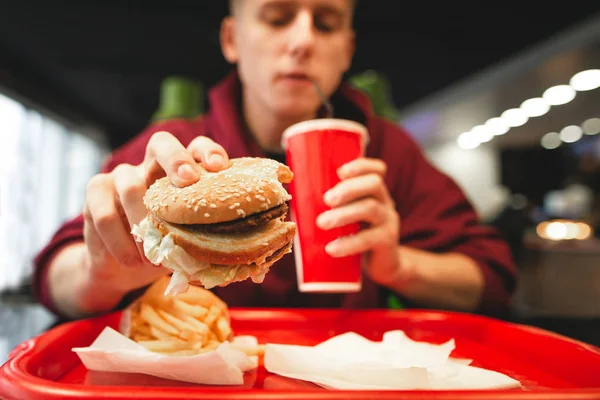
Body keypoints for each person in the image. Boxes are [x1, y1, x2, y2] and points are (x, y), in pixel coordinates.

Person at [33, 0, 517, 321]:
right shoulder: (170, 153)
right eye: (277, 17)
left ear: (346, 50)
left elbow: (492, 281)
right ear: (231, 40)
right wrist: (105, 270)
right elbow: (54, 276)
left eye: (325, 23)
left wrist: (399, 266)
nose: (302, 41)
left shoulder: (388, 151)